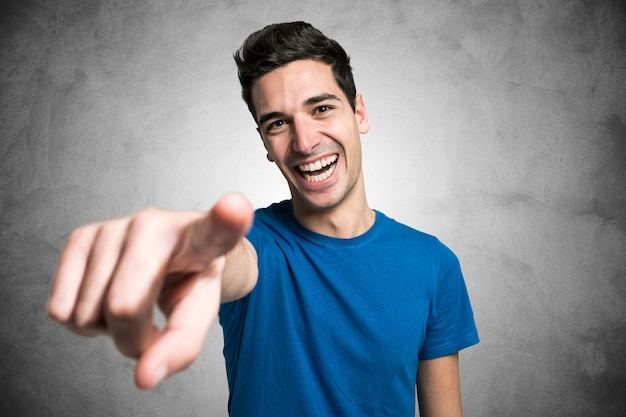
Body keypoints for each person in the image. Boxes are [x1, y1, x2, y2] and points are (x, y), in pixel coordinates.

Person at [48, 21, 479, 417]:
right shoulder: (254, 242)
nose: (305, 141)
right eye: (278, 123)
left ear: (359, 113)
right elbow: (227, 261)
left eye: (322, 108)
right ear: (265, 143)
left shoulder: (433, 264)